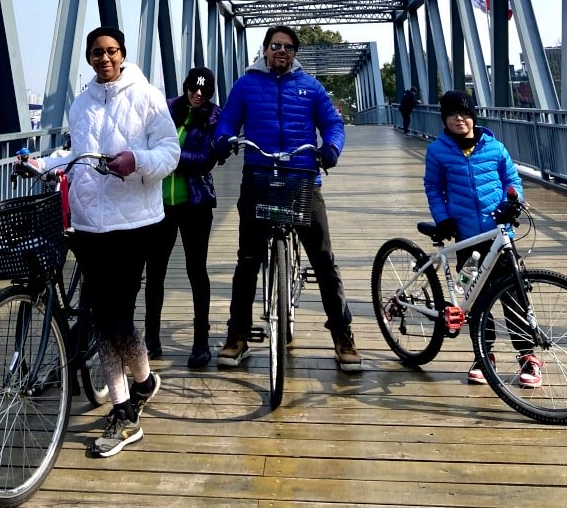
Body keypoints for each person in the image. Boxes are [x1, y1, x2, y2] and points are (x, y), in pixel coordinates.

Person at [22, 26, 179, 457]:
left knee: (115, 318)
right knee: (101, 317)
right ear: (89, 58)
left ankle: (127, 412)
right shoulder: (82, 102)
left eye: (111, 51)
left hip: (135, 224)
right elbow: (77, 156)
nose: (104, 58)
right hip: (91, 226)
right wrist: (42, 163)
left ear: (123, 54)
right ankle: (137, 388)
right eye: (96, 53)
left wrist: (137, 161)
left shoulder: (147, 96)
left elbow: (170, 152)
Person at [213, 25, 362, 373]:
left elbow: (332, 123)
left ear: (295, 54)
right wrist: (223, 139)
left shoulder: (310, 87)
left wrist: (332, 147)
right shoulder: (246, 85)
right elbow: (228, 121)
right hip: (260, 176)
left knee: (323, 259)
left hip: (302, 178)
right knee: (248, 259)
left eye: (289, 47)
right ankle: (237, 336)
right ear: (265, 50)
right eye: (276, 45)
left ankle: (343, 335)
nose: (282, 51)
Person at [423, 90, 535, 387]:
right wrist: (442, 218)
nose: (459, 119)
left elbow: (512, 181)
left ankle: (528, 356)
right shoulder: (438, 150)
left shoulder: (495, 148)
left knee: (513, 295)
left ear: (473, 115)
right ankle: (484, 355)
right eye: (451, 115)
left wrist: (514, 201)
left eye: (464, 113)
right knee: (475, 298)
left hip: (499, 234)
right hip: (466, 236)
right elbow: (433, 187)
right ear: (444, 119)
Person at [144, 67, 220, 368]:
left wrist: (169, 157)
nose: (198, 93)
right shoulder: (166, 108)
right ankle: (151, 339)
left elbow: (205, 161)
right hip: (161, 205)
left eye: (204, 90)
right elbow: (147, 143)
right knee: (155, 273)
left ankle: (201, 341)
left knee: (196, 271)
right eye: (193, 87)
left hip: (196, 203)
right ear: (186, 86)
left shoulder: (215, 117)